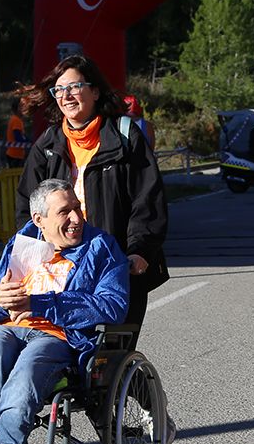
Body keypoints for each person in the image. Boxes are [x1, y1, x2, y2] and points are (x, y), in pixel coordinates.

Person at [0, 178, 129, 444]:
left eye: (77, 208)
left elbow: (113, 306)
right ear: (39, 221)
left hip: (60, 336)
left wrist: (41, 303)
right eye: (65, 212)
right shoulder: (22, 245)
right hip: (7, 328)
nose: (76, 218)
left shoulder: (101, 247)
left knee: (29, 366)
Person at [15, 53, 168, 328]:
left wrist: (139, 251)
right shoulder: (48, 144)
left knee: (107, 357)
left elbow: (148, 199)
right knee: (55, 349)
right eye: (59, 89)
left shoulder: (124, 136)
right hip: (62, 268)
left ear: (95, 91)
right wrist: (31, 255)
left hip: (114, 265)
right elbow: (27, 205)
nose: (66, 95)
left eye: (75, 86)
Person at [4, 95, 31, 166]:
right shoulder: (16, 120)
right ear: (18, 108)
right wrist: (28, 143)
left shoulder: (15, 119)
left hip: (14, 154)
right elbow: (18, 137)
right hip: (15, 155)